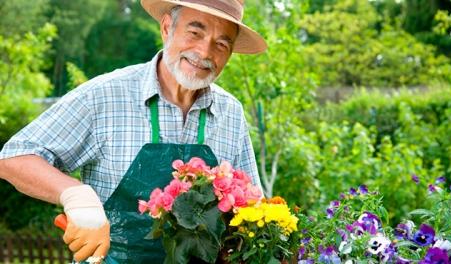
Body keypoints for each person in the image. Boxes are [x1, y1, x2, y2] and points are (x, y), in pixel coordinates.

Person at [0, 0, 266, 262]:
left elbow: (252, 207)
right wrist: (75, 194)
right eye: (195, 33)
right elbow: (14, 157)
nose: (205, 52)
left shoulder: (230, 112)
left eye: (221, 44)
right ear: (166, 28)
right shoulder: (104, 95)